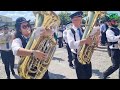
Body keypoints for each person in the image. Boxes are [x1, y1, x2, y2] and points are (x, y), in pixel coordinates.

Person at [67, 11, 96, 79]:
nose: (80, 21)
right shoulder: (70, 31)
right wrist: (84, 41)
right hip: (77, 56)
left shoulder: (83, 29)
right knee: (81, 76)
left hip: (86, 54)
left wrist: (93, 39)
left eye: (80, 19)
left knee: (89, 74)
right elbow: (71, 45)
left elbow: (91, 40)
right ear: (73, 20)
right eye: (77, 19)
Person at [103, 13, 120, 79]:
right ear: (109, 23)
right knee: (115, 66)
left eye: (116, 21)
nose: (116, 22)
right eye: (114, 21)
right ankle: (105, 74)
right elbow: (112, 39)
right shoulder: (109, 31)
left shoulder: (117, 29)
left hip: (119, 49)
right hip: (114, 50)